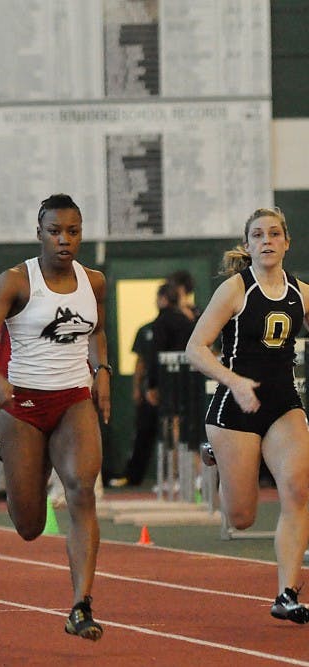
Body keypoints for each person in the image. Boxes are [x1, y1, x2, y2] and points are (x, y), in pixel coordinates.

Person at [0, 193, 110, 641]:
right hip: (23, 405)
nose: (64, 240)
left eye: (73, 232)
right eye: (55, 232)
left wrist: (102, 371)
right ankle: (14, 455)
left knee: (81, 491)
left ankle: (81, 606)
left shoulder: (94, 282)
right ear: (39, 233)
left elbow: (97, 331)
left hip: (73, 401)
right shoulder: (15, 282)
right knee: (29, 526)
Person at [186, 207, 309, 624]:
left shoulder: (301, 293)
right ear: (248, 244)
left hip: (283, 404)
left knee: (298, 490)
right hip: (236, 405)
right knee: (241, 517)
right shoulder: (236, 290)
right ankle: (217, 453)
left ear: (287, 242)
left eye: (274, 234)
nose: (267, 241)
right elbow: (196, 348)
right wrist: (235, 382)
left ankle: (287, 594)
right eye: (258, 235)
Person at [110, 283, 172, 488]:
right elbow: (140, 362)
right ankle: (133, 476)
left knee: (173, 434)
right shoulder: (146, 329)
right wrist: (138, 388)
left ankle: (175, 477)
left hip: (172, 390)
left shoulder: (181, 325)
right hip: (150, 390)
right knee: (143, 433)